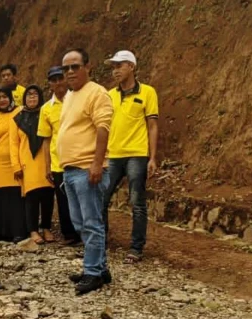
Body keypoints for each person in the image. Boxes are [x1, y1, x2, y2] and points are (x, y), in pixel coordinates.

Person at [57, 48, 113, 295]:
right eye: (66, 68)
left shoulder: (97, 93)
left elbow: (103, 128)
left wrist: (97, 163)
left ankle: (93, 273)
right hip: (70, 169)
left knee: (91, 223)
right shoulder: (70, 95)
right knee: (79, 222)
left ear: (87, 67)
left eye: (75, 66)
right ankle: (99, 268)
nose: (70, 72)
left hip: (87, 168)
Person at [104, 50, 160, 262]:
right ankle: (101, 242)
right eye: (113, 66)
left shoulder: (147, 92)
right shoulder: (110, 95)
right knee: (101, 198)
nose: (115, 70)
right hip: (113, 155)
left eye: (119, 65)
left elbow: (152, 126)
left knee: (137, 201)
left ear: (132, 67)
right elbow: (104, 127)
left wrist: (152, 157)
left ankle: (136, 248)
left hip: (137, 154)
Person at [38, 66, 80, 246]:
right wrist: (47, 166)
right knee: (63, 201)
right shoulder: (46, 109)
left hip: (79, 157)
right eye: (53, 80)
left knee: (82, 198)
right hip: (58, 161)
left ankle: (87, 234)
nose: (58, 83)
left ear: (66, 79)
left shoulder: (78, 100)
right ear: (49, 84)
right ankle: (69, 235)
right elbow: (46, 139)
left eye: (60, 78)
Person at [0, 85, 27, 243]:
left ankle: (19, 232)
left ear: (11, 97)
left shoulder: (21, 112)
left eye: (4, 97)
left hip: (17, 162)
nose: (2, 100)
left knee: (17, 197)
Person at [12, 85, 53, 244]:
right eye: (29, 95)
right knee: (32, 197)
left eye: (35, 95)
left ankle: (47, 228)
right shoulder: (18, 118)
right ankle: (33, 230)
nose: (32, 98)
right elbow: (13, 144)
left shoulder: (46, 113)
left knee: (48, 196)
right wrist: (16, 165)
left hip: (46, 160)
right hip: (27, 162)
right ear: (24, 99)